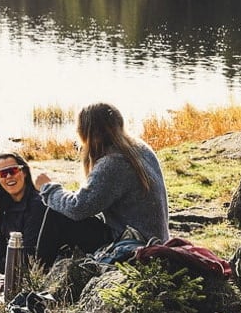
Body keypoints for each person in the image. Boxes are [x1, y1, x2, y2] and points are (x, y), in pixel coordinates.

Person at [0, 152, 111, 275]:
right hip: (15, 254)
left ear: (23, 172)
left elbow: (30, 256)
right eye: (3, 174)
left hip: (32, 259)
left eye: (13, 171)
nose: (9, 176)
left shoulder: (38, 204)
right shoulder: (3, 207)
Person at [34, 102, 169, 242]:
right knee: (62, 206)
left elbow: (77, 208)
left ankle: (35, 257)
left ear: (86, 132)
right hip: (153, 238)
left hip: (133, 243)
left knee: (56, 214)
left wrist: (48, 189)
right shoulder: (140, 149)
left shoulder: (113, 163)